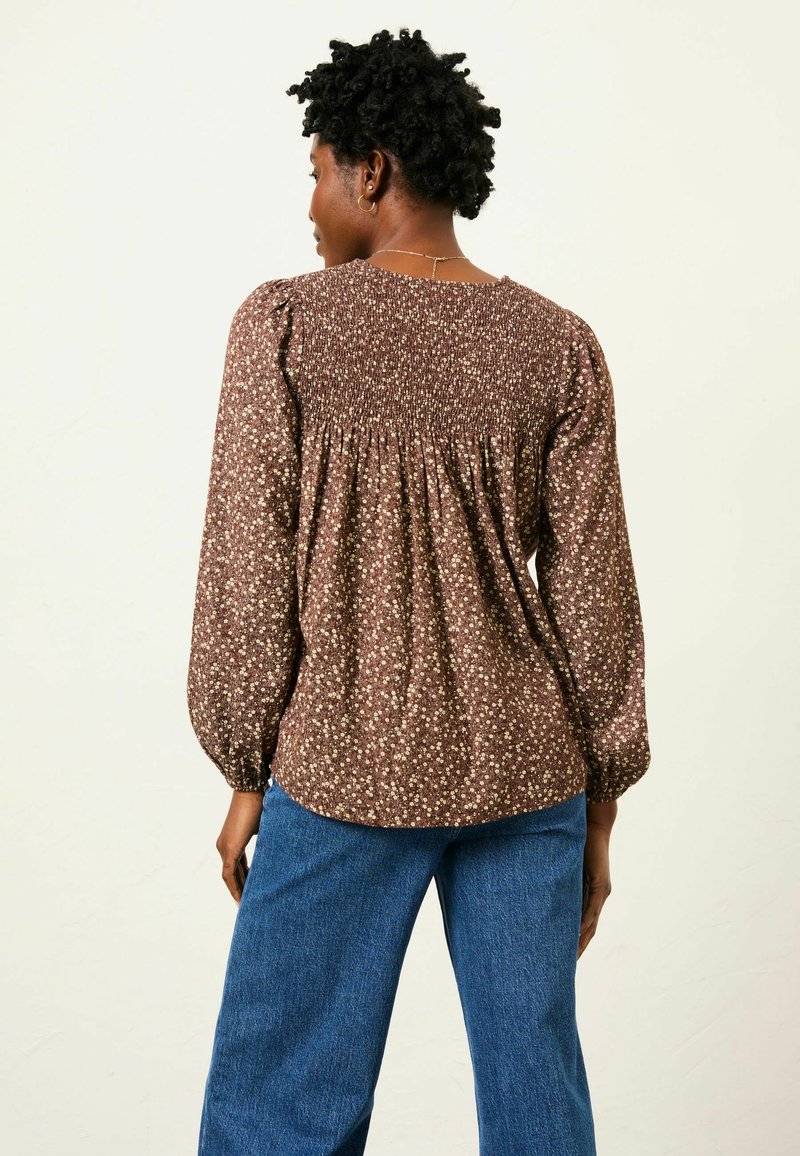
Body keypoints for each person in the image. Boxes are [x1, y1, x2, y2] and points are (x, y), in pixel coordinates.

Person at [186, 26, 652, 1156]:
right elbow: (594, 593)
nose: (309, 204)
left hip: (344, 762)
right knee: (538, 1103)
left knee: (278, 1105)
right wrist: (598, 804)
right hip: (527, 769)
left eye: (316, 171)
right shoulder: (557, 345)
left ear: (372, 171)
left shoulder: (285, 325)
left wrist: (246, 767)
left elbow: (247, 568)